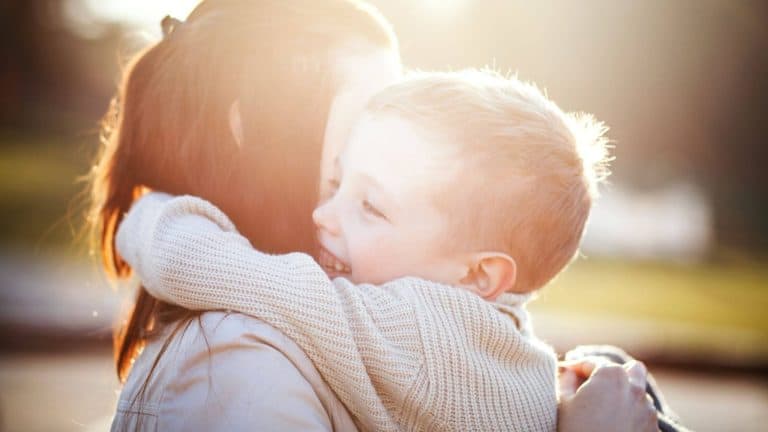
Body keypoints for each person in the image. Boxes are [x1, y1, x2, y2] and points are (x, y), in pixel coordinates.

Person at [87, 0, 660, 430]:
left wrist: (146, 212)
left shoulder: (373, 327)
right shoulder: (240, 365)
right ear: (256, 133)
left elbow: (194, 258)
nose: (388, 128)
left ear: (482, 272)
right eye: (373, 107)